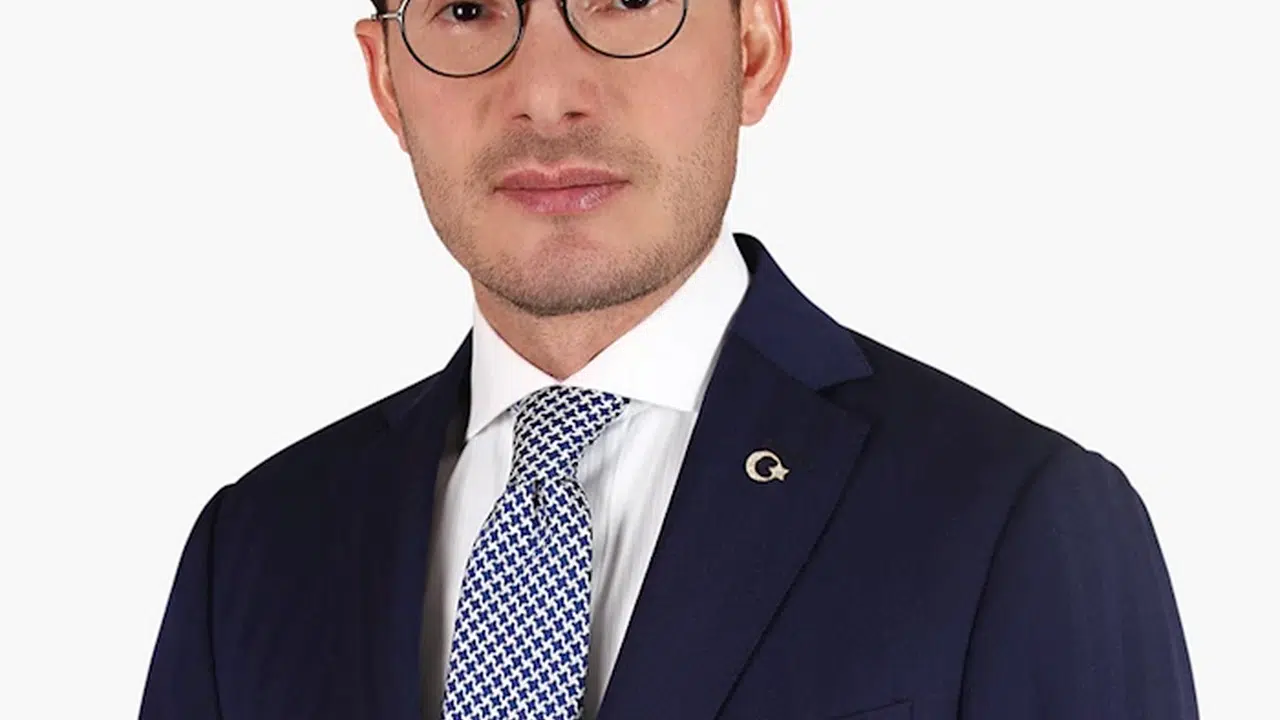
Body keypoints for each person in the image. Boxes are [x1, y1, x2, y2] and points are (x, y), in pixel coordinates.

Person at [140, 1, 1198, 718]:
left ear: (754, 48)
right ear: (386, 80)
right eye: (465, 10)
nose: (544, 93)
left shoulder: (1013, 519)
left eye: (625, 0)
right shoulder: (255, 548)